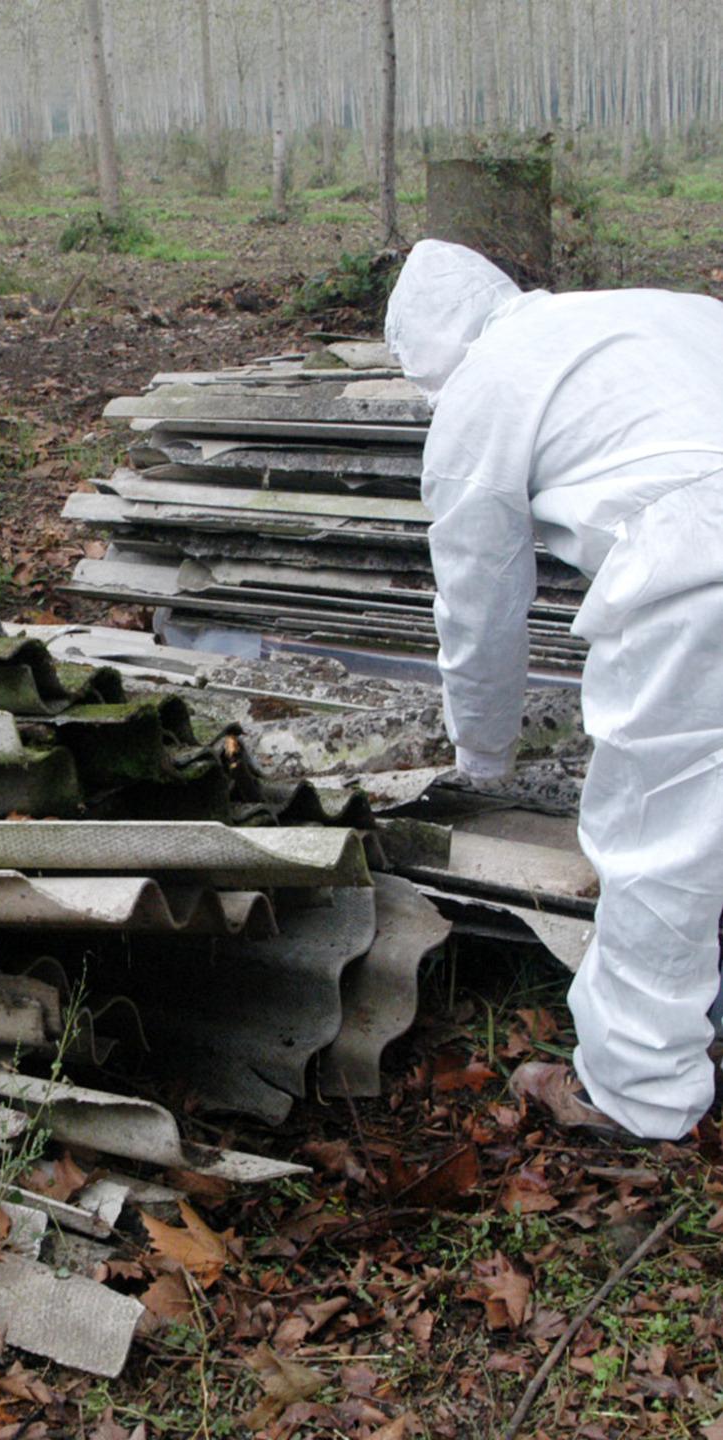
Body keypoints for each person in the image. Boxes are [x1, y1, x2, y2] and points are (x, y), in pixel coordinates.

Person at [385, 237, 723, 1141]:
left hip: (700, 568)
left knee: (660, 839)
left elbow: (480, 604)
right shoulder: (653, 308)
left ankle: (637, 1097)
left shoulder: (482, 392)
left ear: (426, 356)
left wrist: (482, 751)